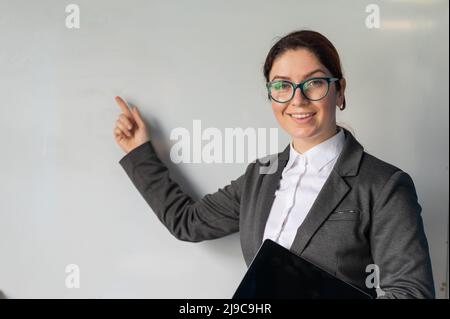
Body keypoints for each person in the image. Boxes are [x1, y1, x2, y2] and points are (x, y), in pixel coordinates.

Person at [113, 30, 435, 298]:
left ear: (339, 91)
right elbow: (186, 221)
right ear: (271, 97)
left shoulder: (384, 185)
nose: (297, 99)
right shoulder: (260, 175)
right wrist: (139, 151)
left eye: (314, 82)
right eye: (282, 85)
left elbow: (411, 293)